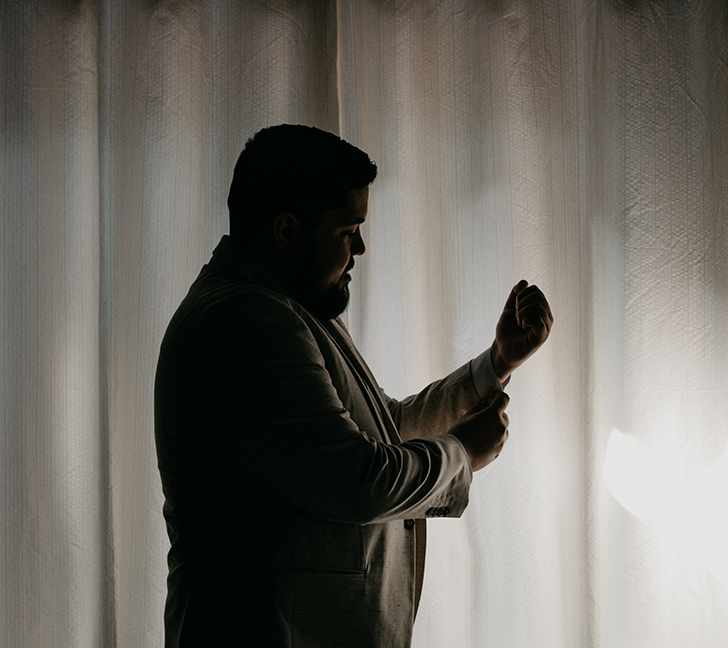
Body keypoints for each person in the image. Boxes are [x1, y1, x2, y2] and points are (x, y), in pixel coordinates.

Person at [154, 124, 552, 647]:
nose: (361, 247)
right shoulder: (245, 321)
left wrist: (497, 363)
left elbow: (385, 429)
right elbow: (356, 479)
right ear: (286, 231)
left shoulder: (290, 305)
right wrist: (460, 454)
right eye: (348, 231)